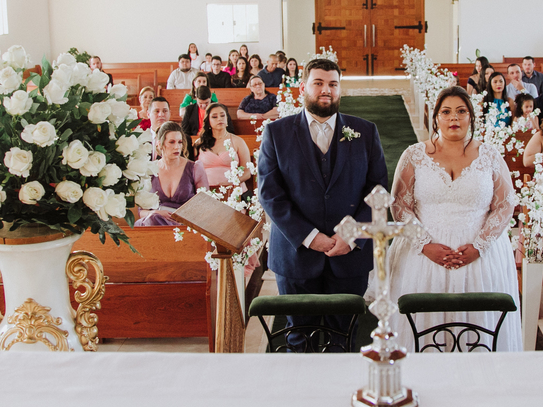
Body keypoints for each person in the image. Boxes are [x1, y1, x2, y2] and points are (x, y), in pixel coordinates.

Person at [375, 86, 522, 351]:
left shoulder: (489, 155)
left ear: (471, 117)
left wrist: (480, 246)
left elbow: (504, 205)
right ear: (436, 118)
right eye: (446, 112)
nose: (454, 118)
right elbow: (400, 205)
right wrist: (424, 244)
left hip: (480, 256)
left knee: (479, 327)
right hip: (423, 256)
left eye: (461, 111)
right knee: (423, 328)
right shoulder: (414, 155)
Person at [257, 57, 388, 351]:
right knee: (298, 337)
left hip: (349, 255)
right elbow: (270, 194)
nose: (326, 90)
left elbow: (378, 190)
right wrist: (310, 237)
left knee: (344, 338)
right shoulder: (276, 133)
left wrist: (351, 234)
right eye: (318, 83)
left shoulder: (365, 132)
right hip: (295, 255)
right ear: (303, 87)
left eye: (332, 84)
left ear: (340, 89)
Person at [137, 123, 209, 226]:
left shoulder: (195, 168)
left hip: (185, 223)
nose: (177, 147)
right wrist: (155, 213)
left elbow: (205, 205)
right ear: (160, 144)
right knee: (152, 219)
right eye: (171, 142)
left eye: (180, 142)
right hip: (154, 222)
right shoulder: (150, 170)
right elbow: (141, 212)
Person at [196, 103, 252, 187]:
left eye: (222, 116)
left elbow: (247, 172)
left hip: (233, 190)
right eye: (214, 117)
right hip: (206, 190)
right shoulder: (199, 143)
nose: (219, 119)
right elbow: (192, 171)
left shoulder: (238, 141)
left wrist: (231, 184)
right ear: (208, 121)